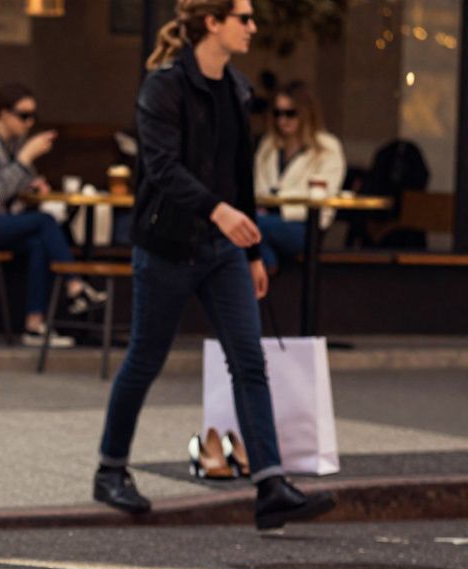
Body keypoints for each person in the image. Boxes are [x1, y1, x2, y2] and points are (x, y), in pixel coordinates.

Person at [93, 0, 336, 532]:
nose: (253, 27)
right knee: (145, 358)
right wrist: (218, 211)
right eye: (244, 18)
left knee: (249, 361)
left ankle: (270, 485)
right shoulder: (163, 86)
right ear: (213, 22)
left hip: (223, 252)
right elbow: (160, 169)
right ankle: (110, 469)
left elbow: (240, 177)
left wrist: (249, 250)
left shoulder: (237, 90)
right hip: (165, 247)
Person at [0, 83, 107, 348]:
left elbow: (17, 183)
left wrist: (31, 182)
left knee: (38, 242)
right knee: (44, 223)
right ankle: (75, 285)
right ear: (3, 113)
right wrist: (24, 160)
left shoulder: (13, 143)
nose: (29, 122)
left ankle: (34, 325)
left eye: (33, 116)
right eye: (23, 115)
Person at [253, 81, 345, 271]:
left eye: (290, 113)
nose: (282, 120)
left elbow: (322, 196)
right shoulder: (269, 145)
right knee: (246, 228)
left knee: (247, 227)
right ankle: (267, 270)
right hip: (266, 218)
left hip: (304, 226)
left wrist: (278, 203)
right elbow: (258, 187)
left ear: (305, 114)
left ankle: (267, 270)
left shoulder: (327, 147)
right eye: (278, 113)